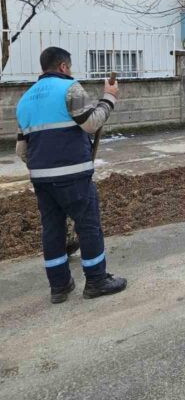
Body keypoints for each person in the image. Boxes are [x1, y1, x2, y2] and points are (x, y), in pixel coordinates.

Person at [15, 47, 127, 304]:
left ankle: (59, 286)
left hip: (42, 179)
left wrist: (43, 167)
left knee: (52, 230)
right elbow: (90, 123)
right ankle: (97, 280)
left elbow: (22, 149)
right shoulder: (70, 89)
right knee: (88, 225)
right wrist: (109, 97)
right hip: (74, 176)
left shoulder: (25, 100)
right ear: (64, 66)